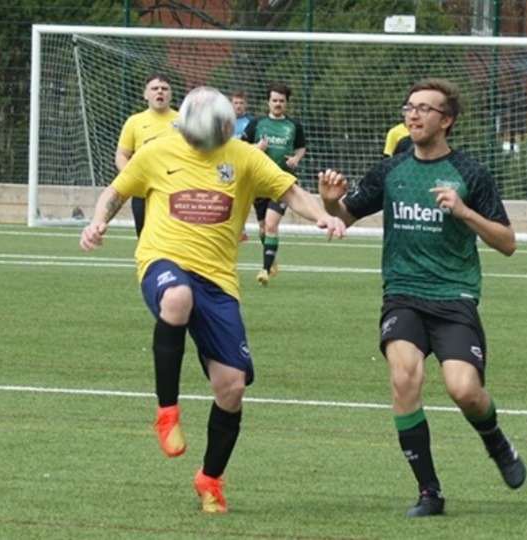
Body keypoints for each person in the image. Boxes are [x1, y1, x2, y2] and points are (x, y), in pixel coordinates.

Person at [80, 86, 345, 514]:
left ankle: (210, 478)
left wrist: (323, 215)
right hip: (162, 262)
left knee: (232, 388)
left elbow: (288, 189)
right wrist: (96, 223)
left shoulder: (242, 155)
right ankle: (167, 412)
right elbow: (115, 192)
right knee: (177, 297)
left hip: (219, 282)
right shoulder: (156, 152)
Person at [318, 78, 526, 517]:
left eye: (424, 109)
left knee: (464, 390)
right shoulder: (391, 170)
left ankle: (495, 440)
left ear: (446, 120)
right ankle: (429, 491)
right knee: (403, 379)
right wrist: (331, 203)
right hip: (403, 295)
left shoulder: (471, 175)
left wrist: (465, 211)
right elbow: (345, 217)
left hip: (454, 297)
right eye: (409, 106)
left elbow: (507, 242)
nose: (412, 114)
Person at [241, 83, 306, 286]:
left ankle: (265, 270)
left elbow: (301, 148)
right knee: (262, 228)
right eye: (274, 100)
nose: (278, 104)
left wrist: (296, 159)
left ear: (286, 103)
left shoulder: (294, 125)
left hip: (282, 182)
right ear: (268, 101)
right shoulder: (256, 124)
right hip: (259, 182)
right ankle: (271, 255)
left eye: (281, 101)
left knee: (271, 224)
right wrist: (256, 147)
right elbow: (240, 147)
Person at [115, 73, 179, 237]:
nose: (160, 92)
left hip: (175, 190)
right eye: (155, 88)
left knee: (175, 239)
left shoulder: (184, 121)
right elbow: (122, 154)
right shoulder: (134, 121)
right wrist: (131, 175)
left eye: (164, 89)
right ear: (145, 94)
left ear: (170, 94)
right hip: (144, 191)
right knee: (145, 239)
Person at [231, 91, 253, 242]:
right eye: (235, 103)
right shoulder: (224, 120)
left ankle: (242, 229)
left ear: (246, 104)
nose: (238, 106)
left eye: (241, 103)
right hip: (227, 164)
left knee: (243, 197)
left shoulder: (251, 122)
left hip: (245, 164)